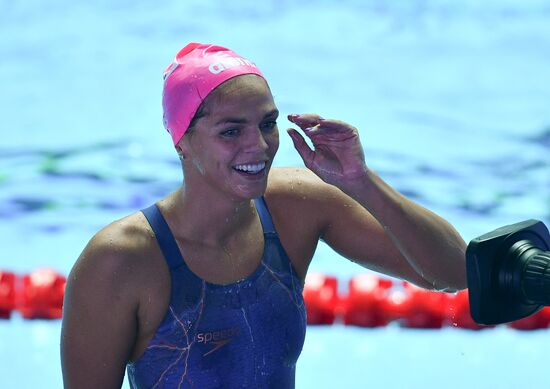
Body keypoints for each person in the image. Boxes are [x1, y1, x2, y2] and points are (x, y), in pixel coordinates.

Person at [60, 42, 467, 388]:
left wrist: (361, 181)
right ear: (181, 141)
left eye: (267, 124)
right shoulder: (120, 261)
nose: (259, 145)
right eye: (231, 131)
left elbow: (455, 274)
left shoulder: (295, 206)